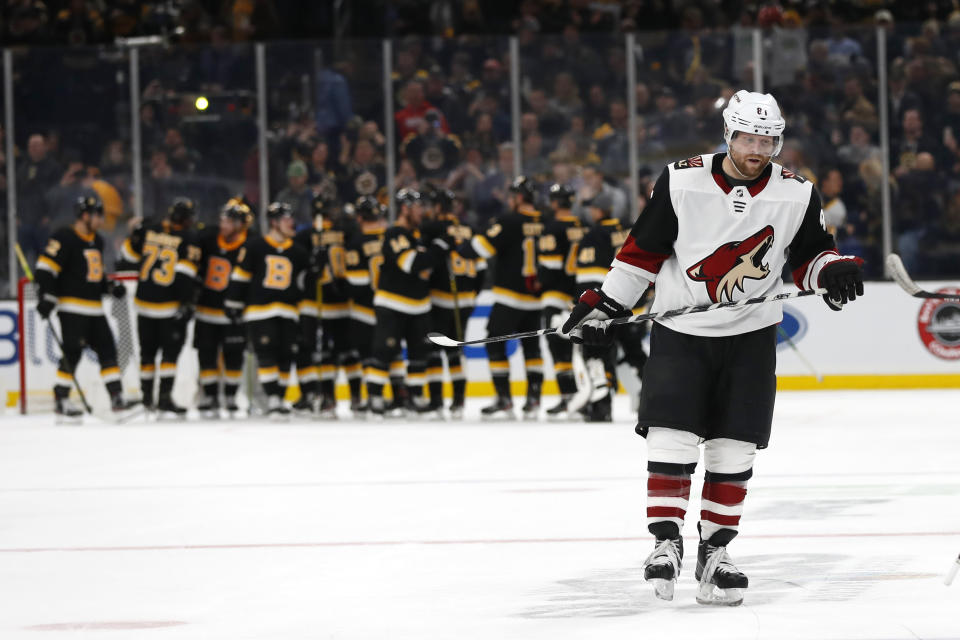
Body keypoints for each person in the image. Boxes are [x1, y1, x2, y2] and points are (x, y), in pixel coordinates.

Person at [558, 90, 865, 606]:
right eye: (748, 138)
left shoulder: (797, 192)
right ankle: (665, 543)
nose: (757, 149)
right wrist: (608, 306)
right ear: (729, 134)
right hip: (683, 334)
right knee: (671, 439)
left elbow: (809, 255)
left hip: (751, 337)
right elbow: (643, 252)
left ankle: (715, 553)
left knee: (735, 446)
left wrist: (829, 269)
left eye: (767, 140)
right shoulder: (681, 179)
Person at [34, 196, 133, 420]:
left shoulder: (96, 240)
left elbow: (93, 277)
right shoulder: (64, 237)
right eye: (98, 216)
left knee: (108, 351)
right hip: (72, 308)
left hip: (95, 309)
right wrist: (47, 296)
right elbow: (44, 269)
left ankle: (116, 397)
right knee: (73, 353)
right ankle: (61, 399)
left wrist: (109, 287)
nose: (101, 221)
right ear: (85, 216)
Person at [454, 176, 545, 420]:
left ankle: (504, 399)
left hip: (509, 296)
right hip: (537, 297)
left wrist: (460, 247)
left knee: (494, 342)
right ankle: (534, 398)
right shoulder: (545, 221)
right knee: (532, 346)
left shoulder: (509, 220)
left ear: (518, 198)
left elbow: (479, 249)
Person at [225, 202, 311, 419]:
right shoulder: (255, 246)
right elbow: (241, 277)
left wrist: (314, 269)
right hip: (260, 310)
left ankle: (280, 398)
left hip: (289, 311)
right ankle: (272, 398)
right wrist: (233, 303)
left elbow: (304, 285)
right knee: (267, 353)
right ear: (274, 222)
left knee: (286, 356)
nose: (291, 223)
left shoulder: (299, 252)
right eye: (286, 218)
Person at [118, 197, 200, 416]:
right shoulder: (188, 238)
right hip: (168, 306)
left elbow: (126, 257)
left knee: (147, 355)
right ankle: (164, 399)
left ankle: (146, 399)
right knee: (169, 356)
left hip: (143, 303)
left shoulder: (150, 229)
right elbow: (185, 275)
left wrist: (134, 232)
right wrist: (187, 302)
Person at [365, 188, 435, 417]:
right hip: (393, 303)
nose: (421, 212)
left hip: (419, 304)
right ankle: (374, 396)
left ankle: (415, 396)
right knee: (384, 351)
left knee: (418, 354)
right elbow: (410, 263)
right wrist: (439, 251)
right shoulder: (395, 233)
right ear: (405, 209)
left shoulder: (417, 235)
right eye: (416, 207)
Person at [420, 188, 485, 419]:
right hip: (465, 298)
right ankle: (459, 401)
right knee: (456, 349)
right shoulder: (470, 230)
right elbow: (481, 267)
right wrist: (474, 292)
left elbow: (425, 262)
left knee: (435, 350)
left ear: (437, 207)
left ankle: (436, 401)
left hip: (441, 296)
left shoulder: (431, 228)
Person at [193, 199, 252, 417]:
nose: (223, 225)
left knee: (234, 356)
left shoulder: (250, 244)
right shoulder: (207, 238)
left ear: (239, 225)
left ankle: (230, 395)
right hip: (207, 309)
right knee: (206, 355)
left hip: (234, 312)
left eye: (228, 222)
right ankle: (209, 395)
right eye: (222, 220)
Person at [537, 183, 585, 419]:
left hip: (555, 294)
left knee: (557, 347)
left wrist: (539, 283)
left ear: (555, 202)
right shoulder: (582, 226)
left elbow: (550, 266)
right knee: (576, 346)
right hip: (578, 295)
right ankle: (584, 395)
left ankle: (568, 396)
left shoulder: (552, 227)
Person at [343, 196, 388, 417]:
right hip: (390, 306)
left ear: (359, 217)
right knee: (390, 353)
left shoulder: (355, 242)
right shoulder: (391, 237)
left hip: (364, 309)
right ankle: (397, 397)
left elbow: (356, 283)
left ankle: (373, 397)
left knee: (368, 356)